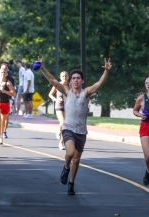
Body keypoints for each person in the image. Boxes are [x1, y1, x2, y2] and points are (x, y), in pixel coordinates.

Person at [37, 57, 111, 195]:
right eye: (74, 78)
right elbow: (52, 80)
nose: (76, 80)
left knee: (77, 159)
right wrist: (42, 68)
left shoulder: (86, 92)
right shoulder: (66, 91)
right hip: (68, 128)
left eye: (78, 78)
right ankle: (66, 167)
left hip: (81, 131)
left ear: (82, 81)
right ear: (70, 81)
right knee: (70, 153)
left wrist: (106, 71)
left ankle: (71, 183)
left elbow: (99, 84)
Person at [48, 71, 69, 150]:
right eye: (63, 76)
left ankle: (61, 142)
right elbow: (50, 94)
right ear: (60, 77)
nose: (64, 78)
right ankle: (59, 129)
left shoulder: (70, 85)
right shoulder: (57, 85)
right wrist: (56, 100)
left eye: (66, 76)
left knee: (66, 126)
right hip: (59, 107)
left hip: (67, 108)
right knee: (63, 123)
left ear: (68, 77)